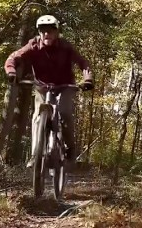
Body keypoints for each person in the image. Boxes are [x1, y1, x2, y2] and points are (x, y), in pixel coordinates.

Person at [5, 14, 94, 163]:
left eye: (51, 30)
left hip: (65, 86)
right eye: (43, 30)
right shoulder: (33, 46)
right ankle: (35, 155)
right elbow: (13, 58)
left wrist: (88, 79)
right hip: (42, 87)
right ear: (39, 32)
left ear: (57, 32)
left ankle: (70, 147)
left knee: (65, 114)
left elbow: (83, 63)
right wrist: (11, 72)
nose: (47, 34)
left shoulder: (66, 47)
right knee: (37, 116)